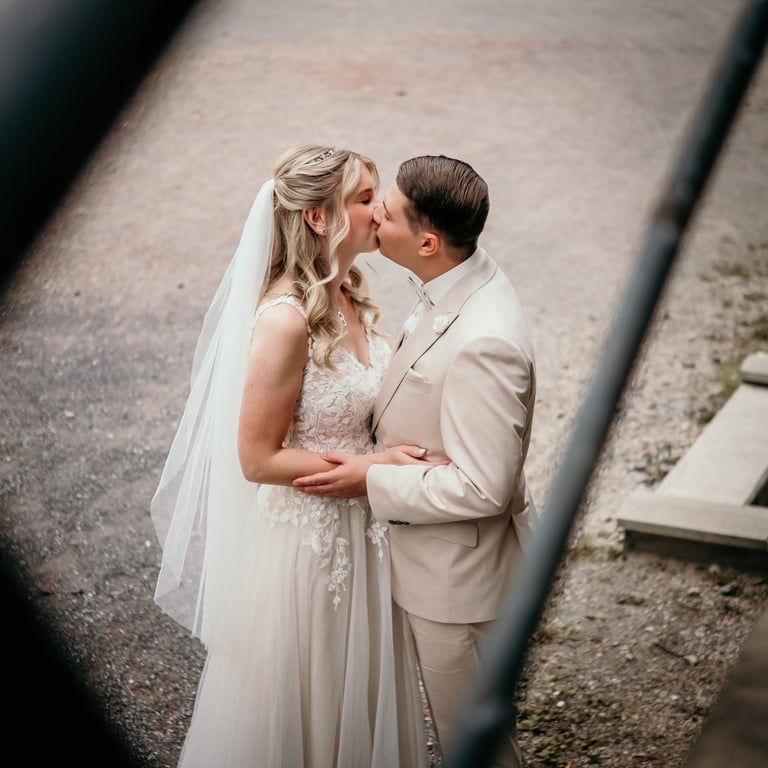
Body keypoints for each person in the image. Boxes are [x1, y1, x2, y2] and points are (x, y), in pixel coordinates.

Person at [150, 145, 436, 767]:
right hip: (310, 545)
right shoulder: (286, 320)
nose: (381, 210)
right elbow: (256, 459)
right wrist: (375, 467)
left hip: (368, 531)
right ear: (317, 215)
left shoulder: (349, 292)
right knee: (308, 700)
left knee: (362, 696)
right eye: (365, 199)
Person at [294, 155, 537, 767]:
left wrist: (372, 476)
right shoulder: (454, 279)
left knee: (474, 744)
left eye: (390, 209)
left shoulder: (485, 339)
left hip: (459, 585)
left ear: (427, 242)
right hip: (430, 562)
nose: (376, 212)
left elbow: (485, 489)